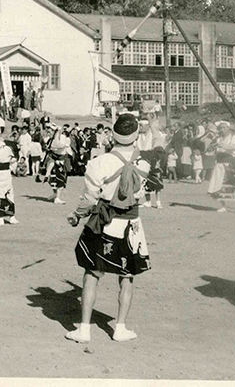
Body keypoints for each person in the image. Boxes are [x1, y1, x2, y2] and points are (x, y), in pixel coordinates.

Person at [65, 114, 151, 343]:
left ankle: (84, 330)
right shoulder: (145, 164)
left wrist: (77, 215)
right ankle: (120, 328)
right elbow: (141, 198)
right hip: (132, 225)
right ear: (136, 136)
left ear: (113, 135)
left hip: (105, 223)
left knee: (92, 273)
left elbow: (90, 198)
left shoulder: (100, 162)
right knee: (127, 275)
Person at [207, 121, 235, 214]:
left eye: (224, 127)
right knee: (220, 186)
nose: (222, 129)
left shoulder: (234, 138)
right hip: (220, 164)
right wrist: (212, 147)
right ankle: (223, 206)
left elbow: (233, 147)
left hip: (231, 164)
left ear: (229, 128)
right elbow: (211, 149)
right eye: (220, 128)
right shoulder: (218, 138)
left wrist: (222, 145)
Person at [48, 124, 71, 204]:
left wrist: (57, 133)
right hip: (52, 161)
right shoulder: (51, 139)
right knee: (51, 179)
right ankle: (55, 194)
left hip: (61, 161)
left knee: (61, 179)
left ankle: (57, 197)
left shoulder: (63, 138)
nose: (49, 133)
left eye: (50, 131)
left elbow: (60, 146)